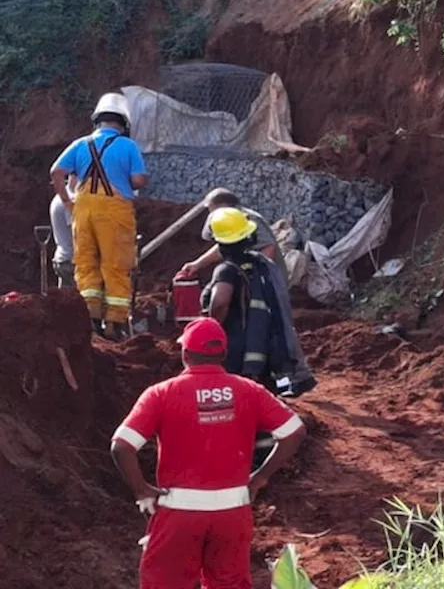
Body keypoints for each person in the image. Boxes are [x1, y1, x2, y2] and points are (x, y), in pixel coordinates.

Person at [110, 317, 305, 589]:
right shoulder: (249, 391)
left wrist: (142, 491)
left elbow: (121, 446)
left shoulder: (161, 394)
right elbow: (294, 431)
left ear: (185, 354)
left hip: (179, 512)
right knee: (229, 583)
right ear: (223, 354)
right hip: (233, 511)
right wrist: (260, 477)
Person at [177, 188, 316, 398]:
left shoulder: (231, 268)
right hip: (261, 284)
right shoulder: (239, 230)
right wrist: (198, 264)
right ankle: (274, 379)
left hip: (260, 292)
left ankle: (293, 376)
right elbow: (227, 244)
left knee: (266, 327)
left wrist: (212, 327)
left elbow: (221, 302)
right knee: (268, 326)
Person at [51, 92, 148, 339]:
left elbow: (56, 171)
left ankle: (90, 320)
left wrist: (66, 199)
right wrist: (130, 179)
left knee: (86, 263)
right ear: (124, 123)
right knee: (116, 265)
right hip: (115, 211)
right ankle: (115, 324)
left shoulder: (80, 144)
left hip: (82, 209)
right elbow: (138, 179)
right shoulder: (128, 146)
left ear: (97, 121)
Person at [49, 176, 76, 287]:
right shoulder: (70, 199)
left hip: (64, 260)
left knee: (66, 301)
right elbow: (77, 233)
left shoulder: (60, 197)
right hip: (72, 262)